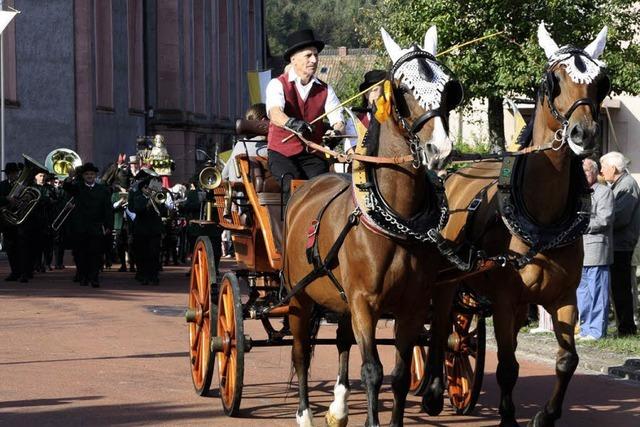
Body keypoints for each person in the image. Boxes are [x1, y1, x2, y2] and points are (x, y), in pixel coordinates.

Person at [265, 29, 345, 192]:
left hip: (313, 154)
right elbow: (275, 113)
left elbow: (338, 120)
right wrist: (292, 123)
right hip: (282, 153)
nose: (314, 60)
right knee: (294, 187)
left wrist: (336, 133)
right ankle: (288, 218)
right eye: (308, 55)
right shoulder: (277, 84)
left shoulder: (325, 89)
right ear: (294, 59)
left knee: (323, 189)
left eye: (316, 55)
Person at [600, 151, 640, 336]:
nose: (601, 171)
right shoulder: (619, 184)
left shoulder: (627, 185)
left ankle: (626, 328)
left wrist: (602, 220)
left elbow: (621, 217)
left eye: (604, 167)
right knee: (617, 287)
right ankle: (623, 325)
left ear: (614, 168)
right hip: (617, 243)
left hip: (622, 244)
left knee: (621, 287)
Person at [577, 159, 614, 340]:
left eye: (586, 171)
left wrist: (580, 225)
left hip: (596, 250)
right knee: (582, 293)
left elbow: (604, 219)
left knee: (598, 292)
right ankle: (585, 329)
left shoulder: (604, 192)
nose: (583, 174)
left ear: (594, 172)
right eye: (581, 171)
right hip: (579, 251)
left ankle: (597, 331)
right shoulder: (578, 193)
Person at [63, 162, 113, 287]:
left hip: (96, 226)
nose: (89, 176)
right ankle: (83, 276)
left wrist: (108, 226)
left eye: (91, 174)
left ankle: (94, 277)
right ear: (83, 176)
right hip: (80, 226)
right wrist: (70, 177)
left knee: (96, 254)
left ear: (95, 175)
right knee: (81, 254)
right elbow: (66, 187)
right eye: (87, 174)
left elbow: (108, 209)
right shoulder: (78, 187)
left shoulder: (102, 189)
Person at [128, 168, 165, 285]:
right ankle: (143, 274)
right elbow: (136, 209)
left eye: (150, 188)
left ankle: (153, 275)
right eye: (147, 188)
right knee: (142, 253)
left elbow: (163, 211)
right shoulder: (138, 198)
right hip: (141, 230)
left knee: (154, 253)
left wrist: (158, 202)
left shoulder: (157, 197)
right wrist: (148, 203)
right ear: (143, 188)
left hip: (154, 230)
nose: (149, 190)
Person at [222, 103, 268, 183]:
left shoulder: (240, 144)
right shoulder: (269, 147)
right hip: (259, 194)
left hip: (237, 194)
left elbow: (224, 176)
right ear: (264, 121)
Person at [344, 69, 387, 154]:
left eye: (384, 90)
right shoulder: (355, 121)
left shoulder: (394, 119)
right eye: (375, 90)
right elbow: (353, 152)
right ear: (366, 94)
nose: (379, 94)